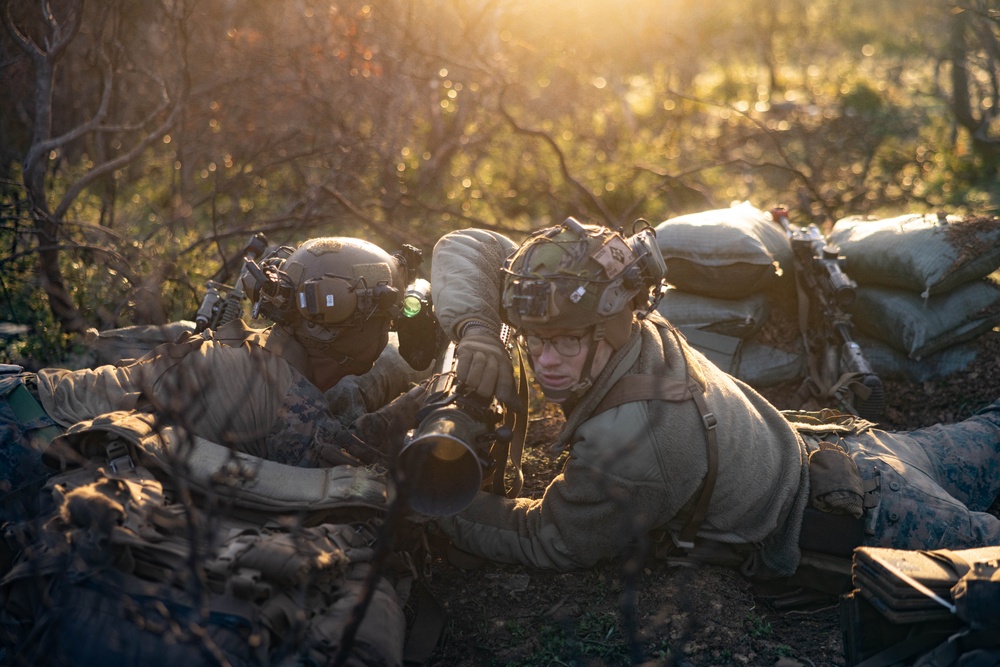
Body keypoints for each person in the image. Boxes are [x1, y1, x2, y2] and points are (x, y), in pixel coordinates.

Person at [428, 217, 1000, 579]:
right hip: (856, 451)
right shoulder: (617, 314)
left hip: (877, 515)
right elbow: (470, 244)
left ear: (610, 326)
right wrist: (478, 330)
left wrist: (432, 502)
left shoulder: (634, 443)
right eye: (534, 341)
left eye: (566, 342)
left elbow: (548, 540)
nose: (543, 359)